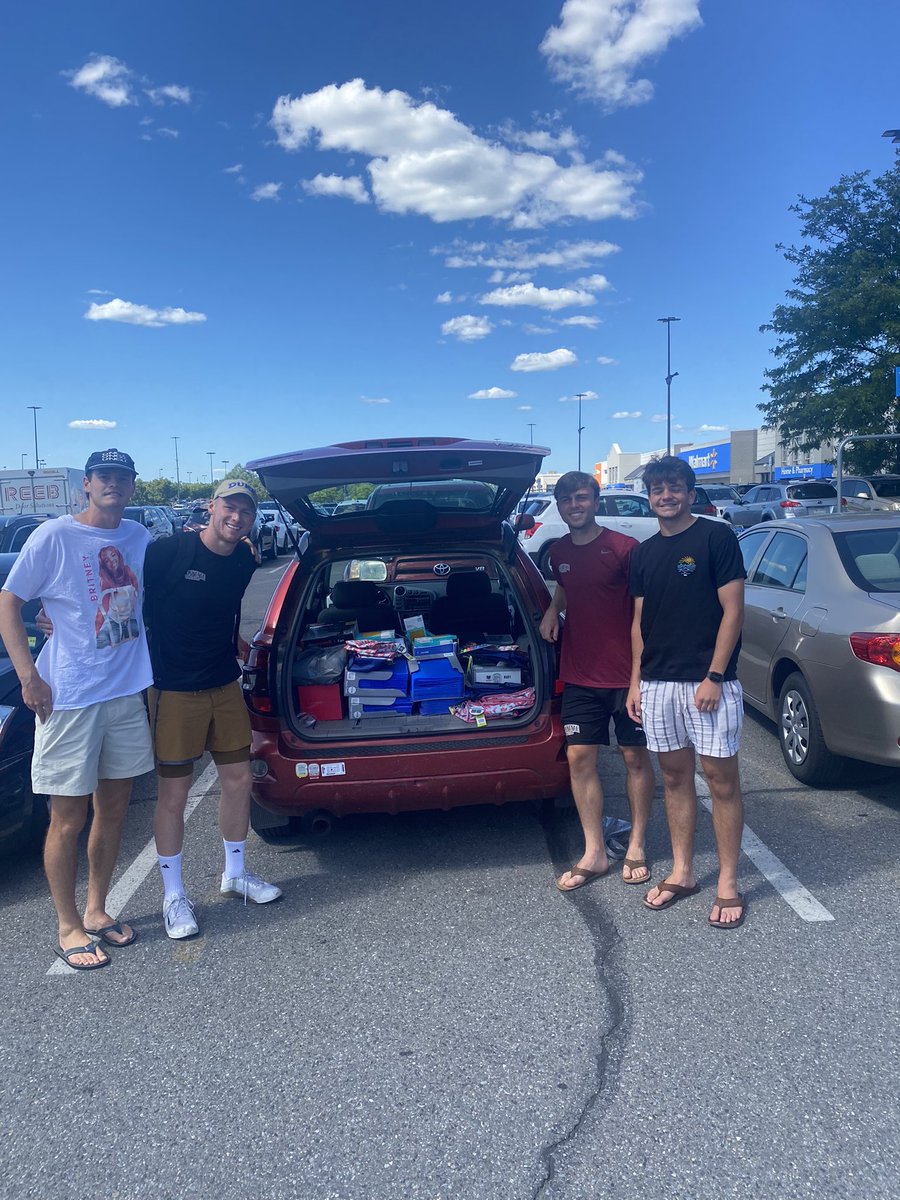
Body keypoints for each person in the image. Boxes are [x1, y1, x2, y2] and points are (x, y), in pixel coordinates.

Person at [0, 449, 154, 970]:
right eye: (104, 477)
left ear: (132, 487)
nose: (113, 485)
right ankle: (67, 926)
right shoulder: (54, 536)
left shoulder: (138, 538)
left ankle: (95, 910)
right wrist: (29, 676)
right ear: (86, 485)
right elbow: (8, 602)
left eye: (122, 478)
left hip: (125, 695)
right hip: (69, 699)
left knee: (113, 810)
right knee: (67, 818)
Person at [143, 479, 281, 939]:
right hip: (175, 690)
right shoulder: (168, 552)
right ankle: (173, 895)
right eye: (230, 507)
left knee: (239, 780)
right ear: (211, 507)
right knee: (174, 795)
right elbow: (118, 595)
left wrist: (238, 644)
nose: (237, 517)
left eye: (245, 511)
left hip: (224, 684)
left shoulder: (243, 559)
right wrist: (52, 616)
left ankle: (235, 873)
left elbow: (224, 612)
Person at [626, 456, 747, 929]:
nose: (666, 496)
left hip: (708, 683)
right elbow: (638, 624)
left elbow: (733, 612)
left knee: (721, 782)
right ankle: (684, 872)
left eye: (674, 488)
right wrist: (636, 682)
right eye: (657, 490)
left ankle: (728, 882)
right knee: (675, 780)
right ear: (650, 497)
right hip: (657, 685)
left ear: (690, 493)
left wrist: (715, 676)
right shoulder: (643, 553)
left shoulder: (716, 536)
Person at [539, 471, 655, 892]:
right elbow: (568, 585)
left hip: (628, 677)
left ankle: (637, 844)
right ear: (559, 504)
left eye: (582, 497)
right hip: (580, 675)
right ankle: (595, 852)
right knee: (579, 758)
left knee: (635, 758)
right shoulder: (558, 553)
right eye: (567, 499)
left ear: (595, 500)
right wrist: (554, 608)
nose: (575, 505)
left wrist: (641, 677)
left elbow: (645, 613)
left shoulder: (625, 549)